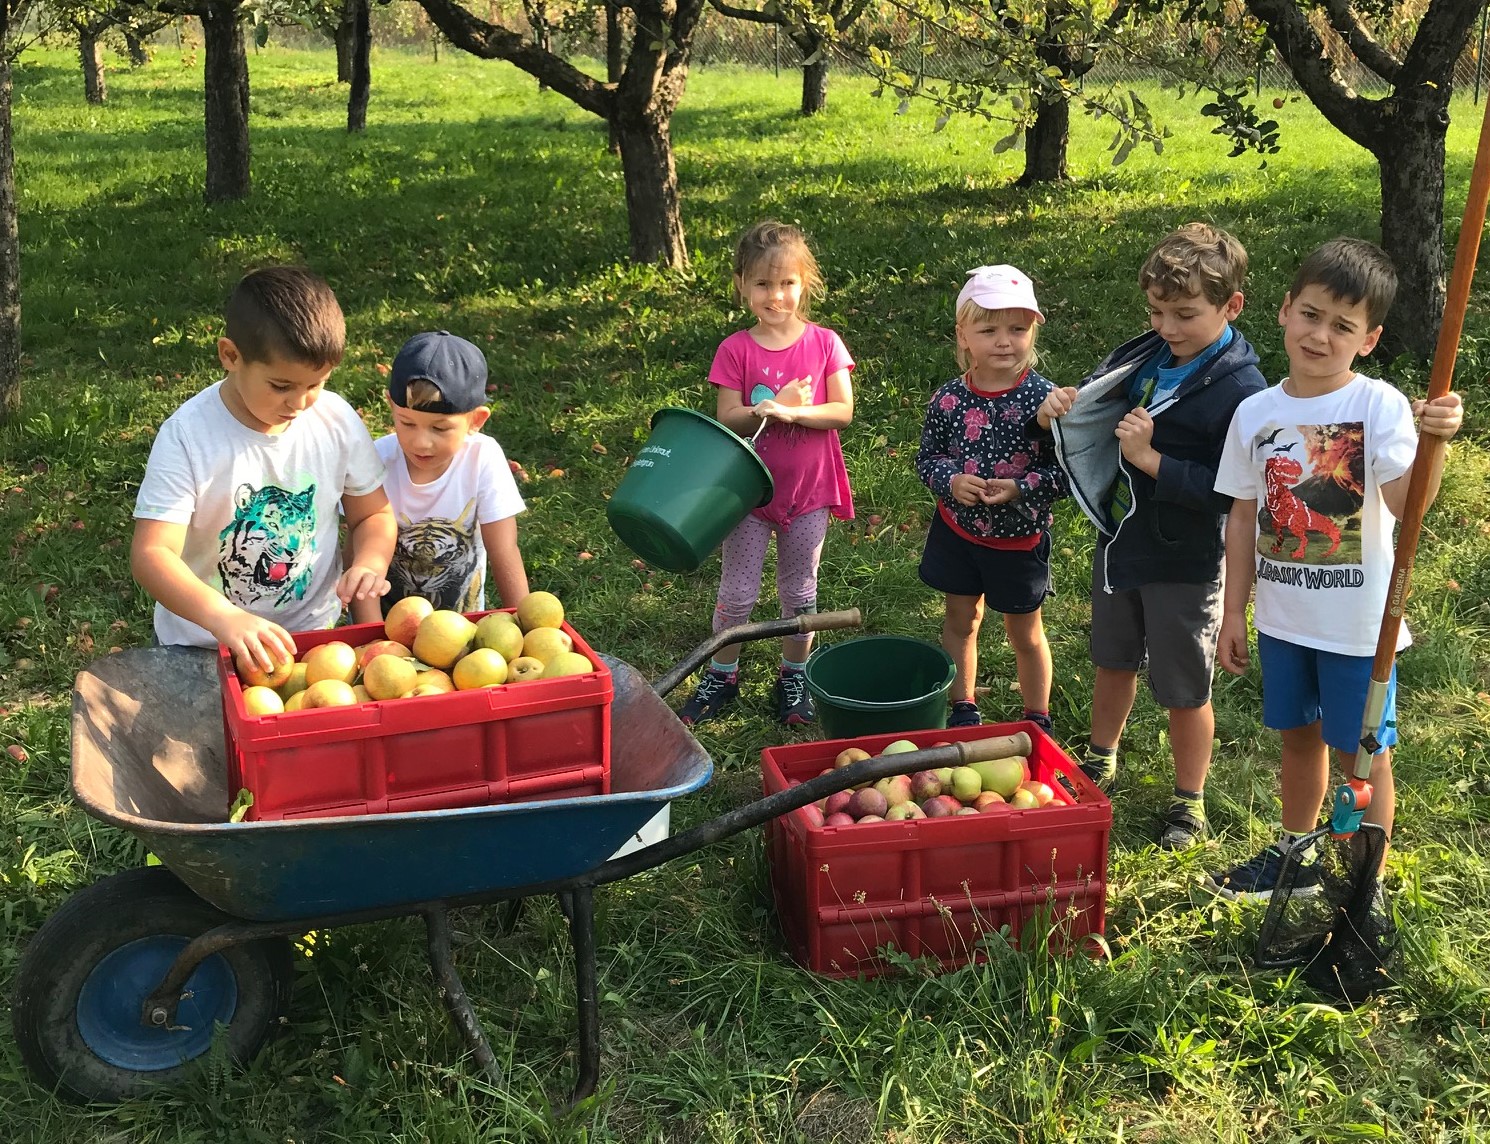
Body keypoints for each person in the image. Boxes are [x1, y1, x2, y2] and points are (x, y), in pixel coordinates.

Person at [1207, 237, 1463, 906]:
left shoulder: (1377, 406)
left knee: (1364, 758)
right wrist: (1235, 611)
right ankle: (1298, 856)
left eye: (1342, 326)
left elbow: (1408, 507)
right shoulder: (1255, 414)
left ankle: (1364, 880)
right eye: (1311, 314)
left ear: (1369, 338)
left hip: (1357, 631)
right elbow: (1241, 519)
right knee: (1298, 740)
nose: (1321, 335)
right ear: (1286, 310)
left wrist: (1432, 441)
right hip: (1286, 620)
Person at [1034, 222, 1266, 849]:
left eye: (1186, 314)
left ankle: (1189, 801)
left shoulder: (1243, 391)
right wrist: (1068, 406)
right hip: (1123, 540)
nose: (1167, 327)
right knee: (1112, 659)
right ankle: (1101, 755)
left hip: (1185, 560)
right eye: (1157, 311)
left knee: (1183, 686)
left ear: (1231, 306)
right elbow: (1108, 405)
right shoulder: (1151, 357)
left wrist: (1153, 462)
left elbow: (1234, 490)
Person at [131, 266, 396, 676]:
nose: (301, 402)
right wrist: (225, 619)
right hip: (203, 646)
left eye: (317, 384)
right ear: (230, 356)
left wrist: (370, 563)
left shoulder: (336, 420)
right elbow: (153, 554)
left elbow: (372, 515)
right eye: (281, 386)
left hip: (313, 640)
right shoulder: (188, 436)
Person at [678, 220, 855, 727]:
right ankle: (722, 673)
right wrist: (770, 407)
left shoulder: (824, 344)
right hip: (749, 492)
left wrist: (794, 413)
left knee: (800, 590)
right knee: (736, 593)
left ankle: (792, 674)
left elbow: (841, 411)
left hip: (809, 490)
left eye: (787, 283)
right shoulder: (736, 349)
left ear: (805, 283)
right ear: (742, 285)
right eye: (762, 284)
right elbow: (728, 416)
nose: (775, 295)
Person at [916, 265, 1067, 732]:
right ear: (963, 335)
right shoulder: (948, 400)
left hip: (1018, 540)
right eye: (988, 329)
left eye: (1018, 329)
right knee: (961, 618)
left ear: (1034, 331)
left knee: (1025, 631)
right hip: (958, 531)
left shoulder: (1048, 402)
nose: (1005, 341)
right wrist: (951, 480)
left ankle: (1036, 716)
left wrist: (1021, 488)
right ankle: (962, 705)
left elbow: (1067, 474)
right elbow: (927, 458)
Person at [348, 331, 529, 621]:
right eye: (407, 423)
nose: (421, 442)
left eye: (440, 428)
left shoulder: (483, 458)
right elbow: (358, 552)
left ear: (476, 420)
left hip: (462, 632)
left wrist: (526, 627)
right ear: (391, 406)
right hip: (385, 627)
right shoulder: (376, 459)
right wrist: (371, 635)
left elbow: (504, 549)